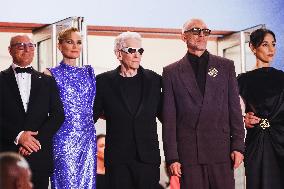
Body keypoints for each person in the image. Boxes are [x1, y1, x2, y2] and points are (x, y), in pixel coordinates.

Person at [162, 18, 245, 189]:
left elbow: (234, 109)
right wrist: (172, 157)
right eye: (195, 31)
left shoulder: (225, 66)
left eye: (205, 31)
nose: (201, 35)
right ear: (183, 37)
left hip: (221, 150)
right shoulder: (171, 72)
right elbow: (169, 119)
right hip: (190, 153)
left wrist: (238, 145)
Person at [93, 31, 162, 189]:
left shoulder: (155, 80)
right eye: (132, 50)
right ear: (119, 54)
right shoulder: (103, 82)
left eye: (140, 51)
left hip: (147, 158)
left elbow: (167, 115)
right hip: (118, 160)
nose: (137, 55)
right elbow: (92, 116)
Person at [0, 35, 65, 189]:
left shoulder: (48, 81)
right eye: (21, 45)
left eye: (30, 46)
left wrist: (34, 142)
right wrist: (19, 136)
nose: (27, 49)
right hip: (6, 157)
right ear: (10, 50)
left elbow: (58, 115)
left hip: (39, 157)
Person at [44, 27, 97, 188]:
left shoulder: (89, 72)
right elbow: (44, 108)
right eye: (69, 42)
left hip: (87, 137)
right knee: (66, 182)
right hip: (63, 138)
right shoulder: (50, 73)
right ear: (59, 46)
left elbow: (96, 104)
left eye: (79, 42)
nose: (75, 46)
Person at [238, 28, 284, 189]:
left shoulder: (282, 78)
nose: (271, 50)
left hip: (281, 142)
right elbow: (230, 114)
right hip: (256, 142)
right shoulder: (241, 81)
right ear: (252, 47)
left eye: (273, 44)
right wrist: (243, 120)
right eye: (265, 44)